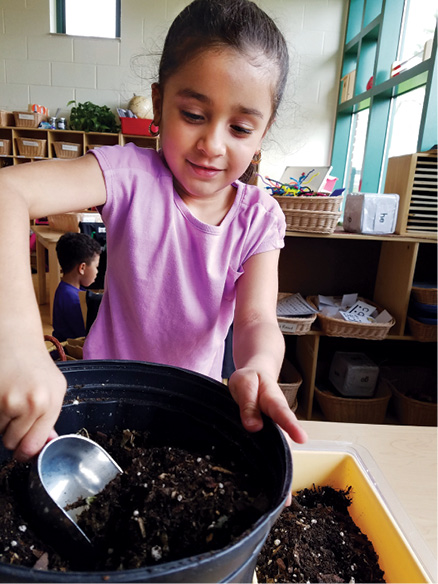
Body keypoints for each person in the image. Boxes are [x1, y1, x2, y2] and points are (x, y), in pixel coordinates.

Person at [0, 0, 308, 464]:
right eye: (193, 114)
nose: (212, 145)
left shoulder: (258, 218)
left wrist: (260, 367)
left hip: (188, 408)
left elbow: (256, 320)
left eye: (241, 127)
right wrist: (18, 342)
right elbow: (8, 192)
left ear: (264, 131)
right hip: (103, 400)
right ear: (159, 104)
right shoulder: (130, 174)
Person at [52, 232, 102, 342]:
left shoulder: (66, 289)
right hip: (71, 354)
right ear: (82, 268)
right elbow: (88, 338)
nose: (97, 272)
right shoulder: (73, 299)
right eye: (96, 267)